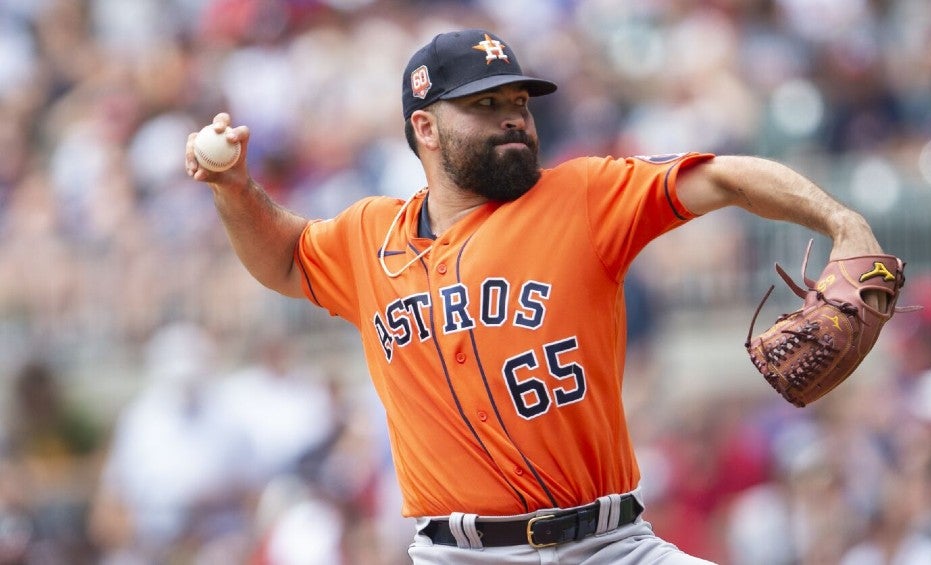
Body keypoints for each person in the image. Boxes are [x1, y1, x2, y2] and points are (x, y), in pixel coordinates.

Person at [186, 28, 890, 565]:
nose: (514, 118)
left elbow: (726, 178)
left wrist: (842, 221)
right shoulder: (368, 236)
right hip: (458, 553)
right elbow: (281, 255)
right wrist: (233, 188)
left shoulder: (582, 195)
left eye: (519, 101)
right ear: (424, 127)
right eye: (485, 105)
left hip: (610, 544)